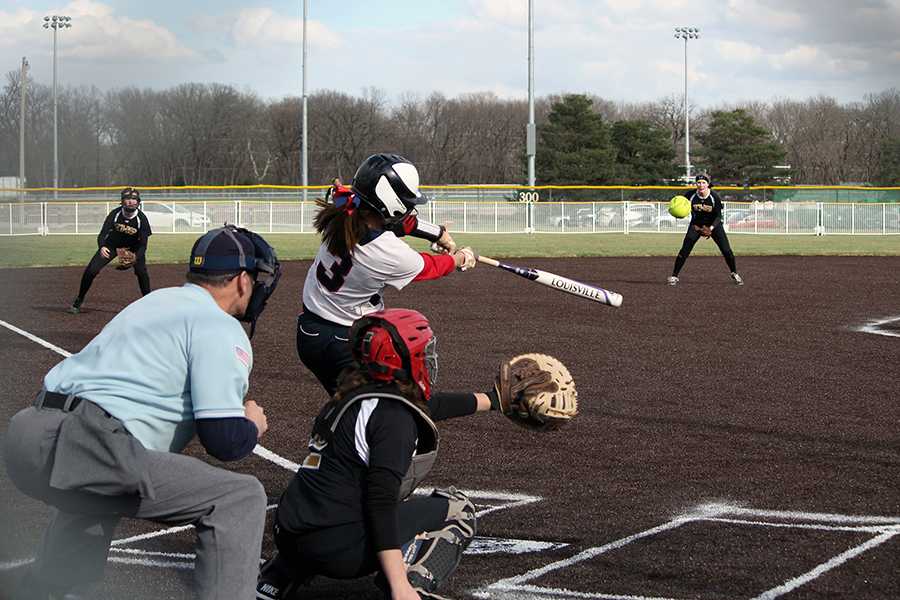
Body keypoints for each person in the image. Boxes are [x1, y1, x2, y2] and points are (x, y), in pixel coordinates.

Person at [4, 225, 282, 600]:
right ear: (242, 279)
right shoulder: (218, 324)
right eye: (257, 277)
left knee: (94, 499)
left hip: (29, 433)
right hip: (88, 441)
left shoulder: (157, 301)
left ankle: (47, 591)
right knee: (240, 498)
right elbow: (224, 441)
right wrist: (251, 424)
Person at [257, 308, 512, 600]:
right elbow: (381, 502)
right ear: (403, 359)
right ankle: (413, 586)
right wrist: (398, 584)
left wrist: (492, 401)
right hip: (338, 551)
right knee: (458, 508)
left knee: (333, 489)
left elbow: (429, 406)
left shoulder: (349, 394)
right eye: (423, 352)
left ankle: (277, 578)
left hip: (290, 534)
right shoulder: (394, 418)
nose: (428, 359)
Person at [298, 152, 476, 396]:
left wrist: (439, 233)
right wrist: (458, 259)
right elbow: (429, 267)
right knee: (376, 406)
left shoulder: (345, 208)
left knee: (350, 404)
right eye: (406, 203)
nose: (410, 208)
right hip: (340, 340)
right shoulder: (386, 251)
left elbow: (398, 222)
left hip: (310, 329)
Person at [69, 187, 153, 314]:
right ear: (122, 201)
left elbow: (143, 245)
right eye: (127, 199)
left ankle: (149, 302)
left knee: (141, 272)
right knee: (91, 270)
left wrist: (135, 257)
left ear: (138, 202)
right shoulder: (115, 214)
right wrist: (102, 246)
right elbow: (102, 234)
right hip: (112, 245)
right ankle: (79, 299)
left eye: (134, 199)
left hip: (134, 247)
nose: (131, 202)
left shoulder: (142, 219)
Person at [667, 174, 744, 286]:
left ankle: (734, 273)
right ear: (696, 184)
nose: (701, 185)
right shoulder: (691, 195)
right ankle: (674, 275)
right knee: (685, 249)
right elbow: (681, 205)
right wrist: (676, 211)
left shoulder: (714, 197)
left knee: (726, 250)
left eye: (703, 182)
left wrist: (711, 228)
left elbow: (718, 216)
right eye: (698, 182)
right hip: (696, 225)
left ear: (708, 184)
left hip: (714, 225)